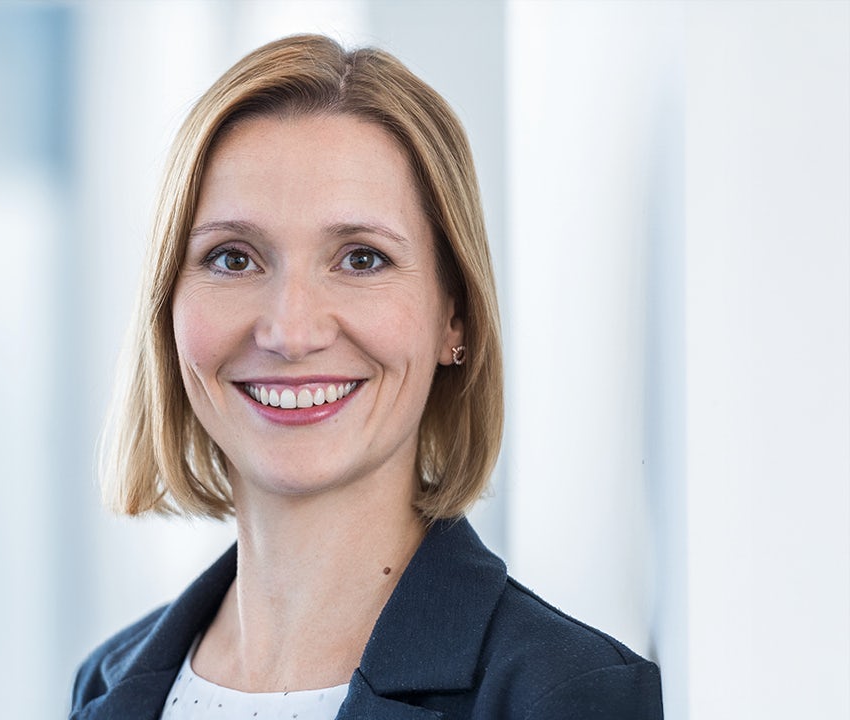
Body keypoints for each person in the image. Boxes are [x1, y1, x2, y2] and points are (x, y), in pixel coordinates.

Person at [71, 34, 663, 720]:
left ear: (455, 318)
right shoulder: (106, 683)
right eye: (233, 259)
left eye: (361, 259)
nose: (290, 333)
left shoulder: (564, 694)